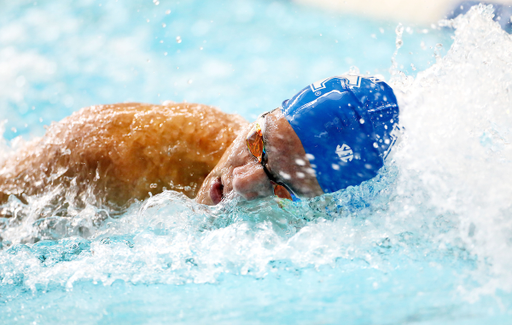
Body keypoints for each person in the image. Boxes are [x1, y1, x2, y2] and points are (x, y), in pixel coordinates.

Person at [0, 75, 399, 214]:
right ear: (260, 119)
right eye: (258, 145)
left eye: (282, 187)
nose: (241, 184)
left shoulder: (326, 206)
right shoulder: (115, 151)